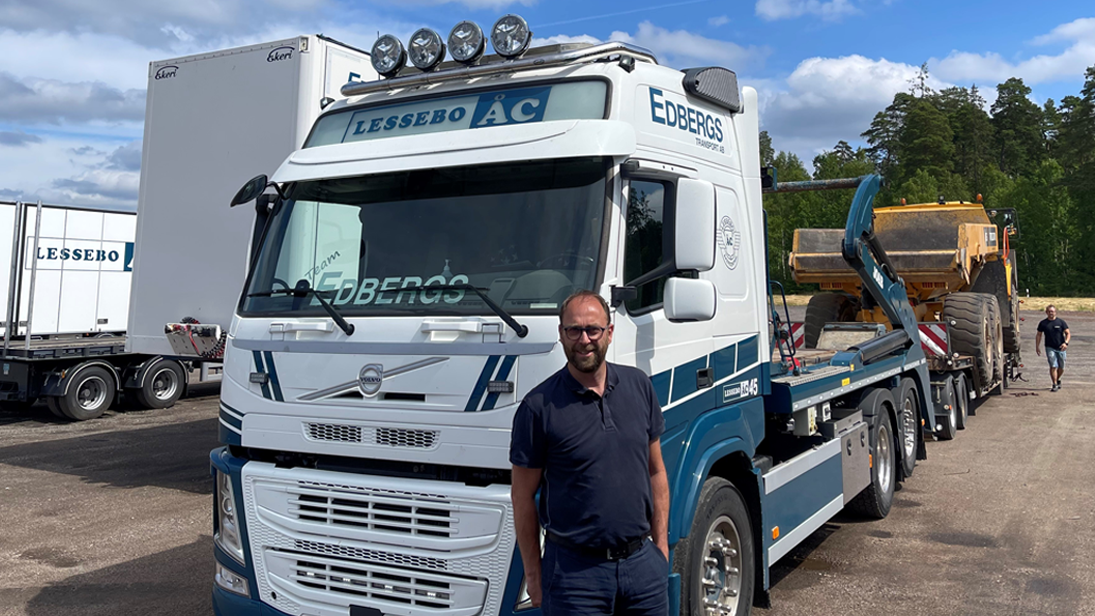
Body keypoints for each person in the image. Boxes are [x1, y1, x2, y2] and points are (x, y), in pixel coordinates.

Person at [510, 290, 670, 615]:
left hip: (642, 568)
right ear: (561, 335)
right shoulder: (538, 408)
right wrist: (533, 575)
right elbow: (522, 497)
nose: (584, 340)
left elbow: (656, 471)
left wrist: (661, 547)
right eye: (574, 330)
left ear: (609, 333)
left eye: (593, 329)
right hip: (574, 576)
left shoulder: (640, 386)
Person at [1035, 305, 1070, 391]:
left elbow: (1068, 333)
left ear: (1055, 312)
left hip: (1061, 347)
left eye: (1052, 311)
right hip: (1050, 347)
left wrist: (1066, 343)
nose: (1051, 313)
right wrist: (1037, 346)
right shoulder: (1043, 323)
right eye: (1049, 311)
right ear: (1046, 312)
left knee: (1061, 367)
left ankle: (1058, 379)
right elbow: (1039, 335)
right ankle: (1054, 384)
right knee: (1053, 365)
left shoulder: (1061, 322)